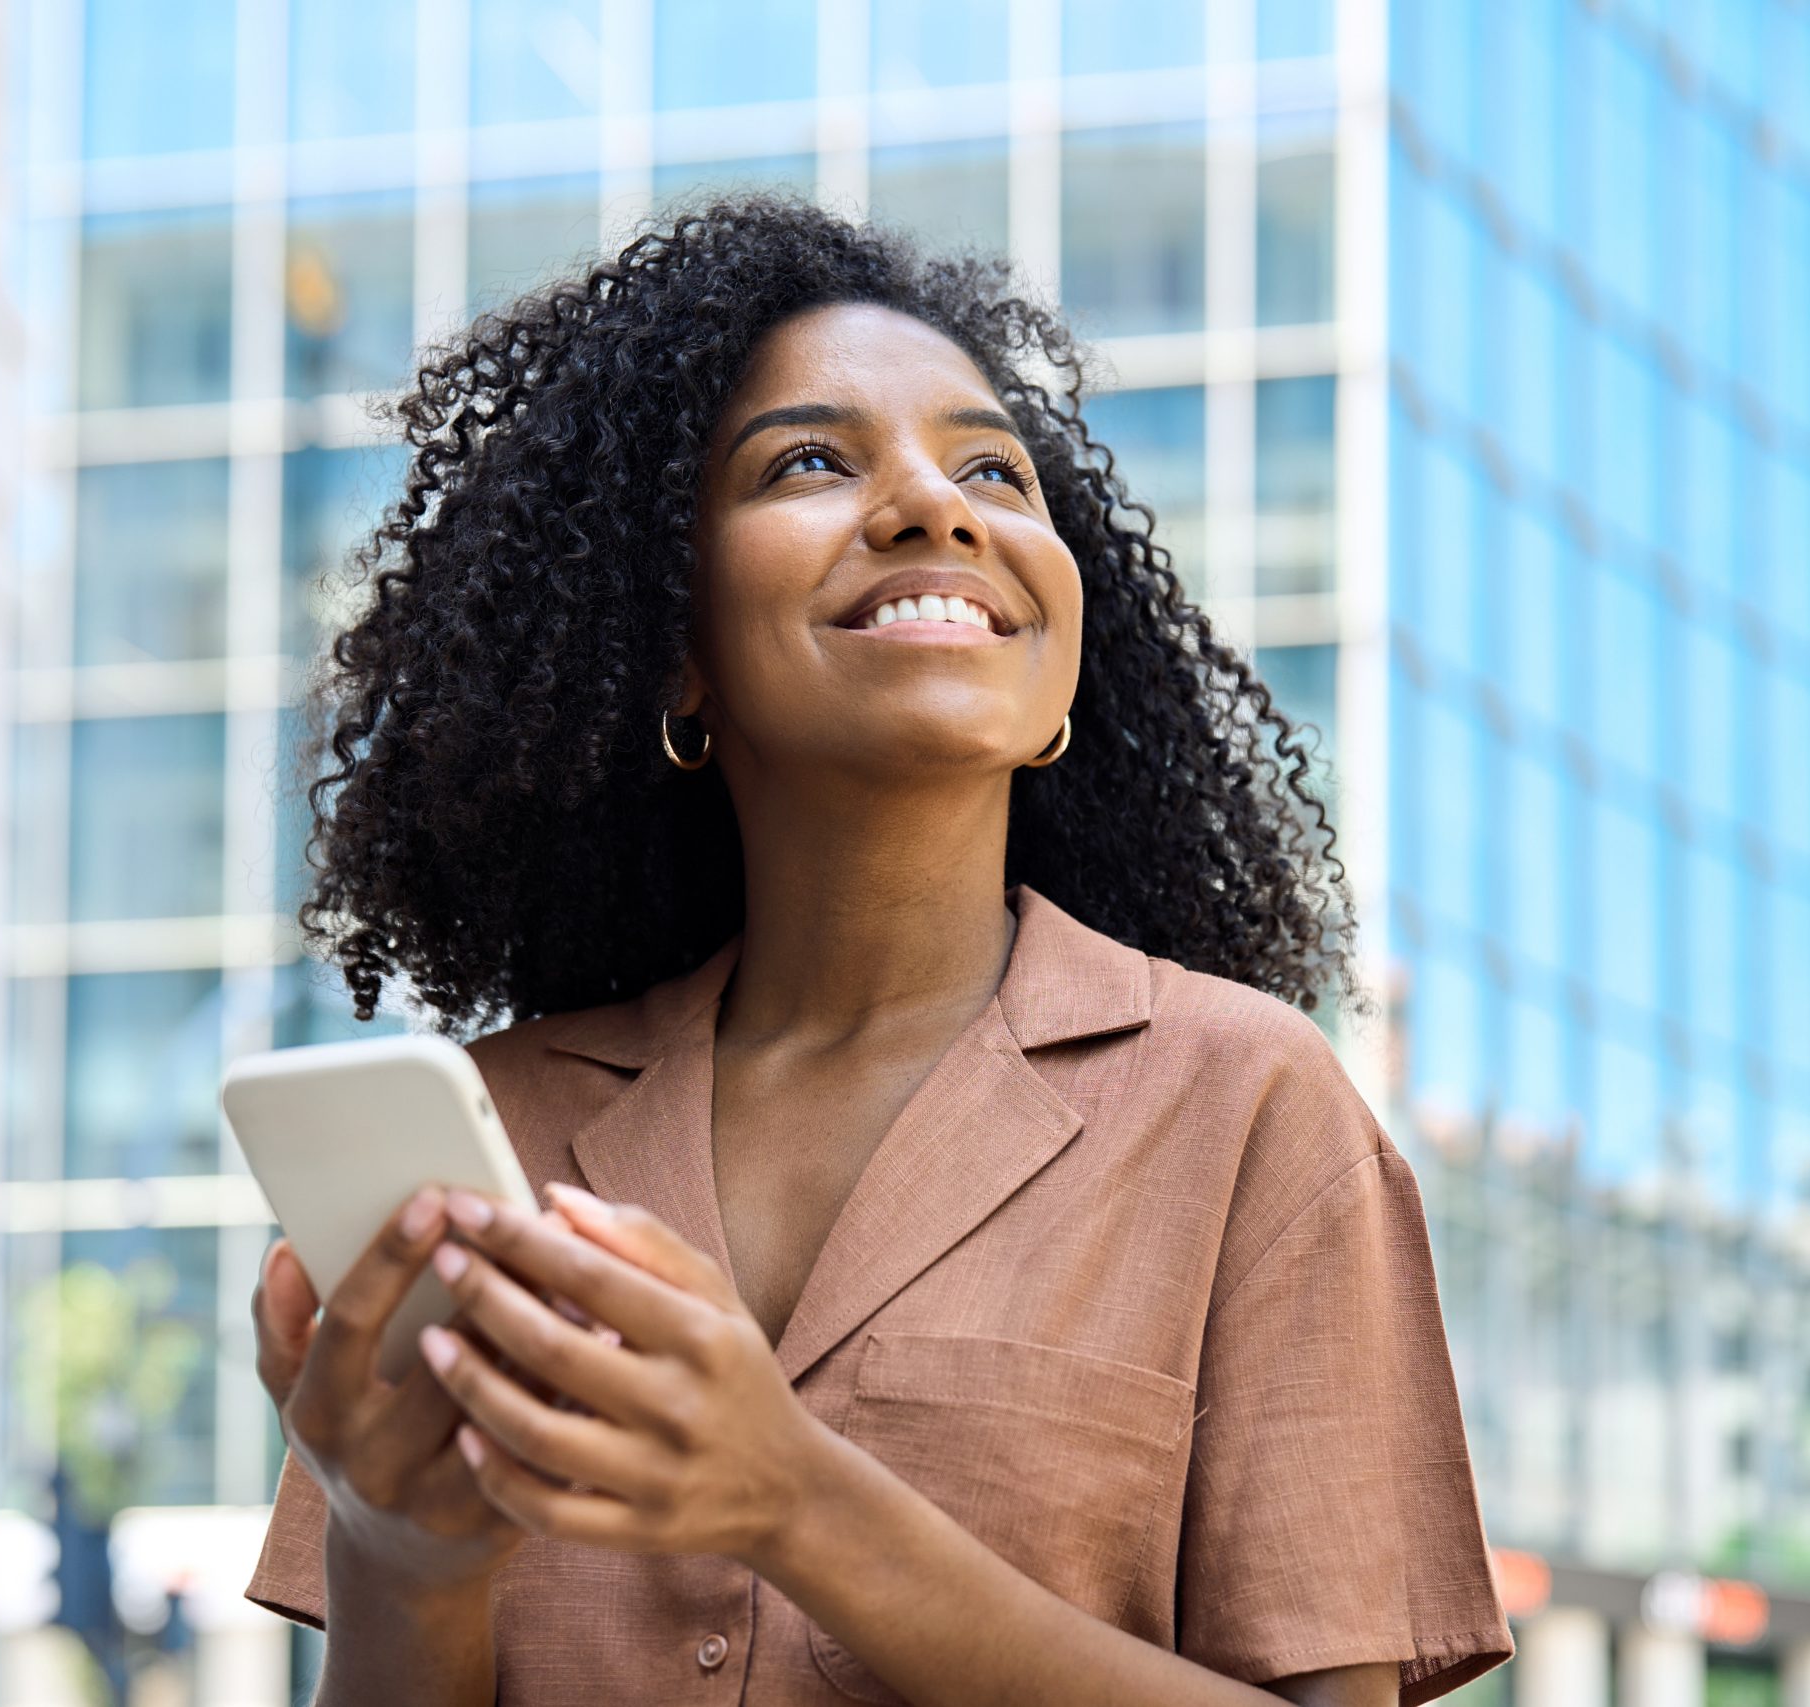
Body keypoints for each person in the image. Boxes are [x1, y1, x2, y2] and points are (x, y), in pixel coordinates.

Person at [244, 193, 1513, 1707]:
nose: (935, 506)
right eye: (808, 461)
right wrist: (405, 1552)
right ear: (673, 650)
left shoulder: (1250, 1108)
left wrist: (798, 1503)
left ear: (1056, 690)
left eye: (993, 467)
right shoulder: (498, 1142)